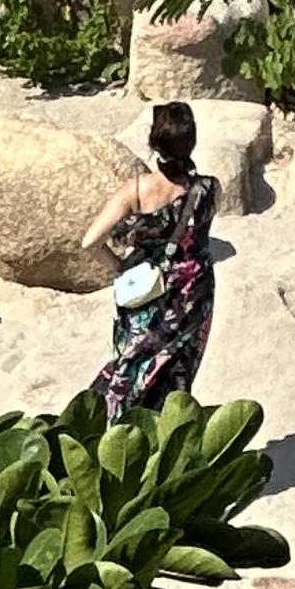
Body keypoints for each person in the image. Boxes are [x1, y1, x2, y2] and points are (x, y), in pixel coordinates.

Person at [82, 101, 222, 422]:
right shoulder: (210, 188)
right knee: (178, 368)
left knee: (130, 364)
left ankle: (108, 426)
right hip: (193, 290)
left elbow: (90, 241)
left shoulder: (136, 190)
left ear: (154, 142)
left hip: (147, 289)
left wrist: (118, 266)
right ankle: (166, 432)